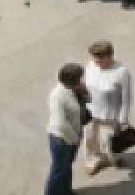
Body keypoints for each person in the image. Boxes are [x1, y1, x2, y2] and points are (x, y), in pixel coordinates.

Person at [84, 40, 133, 176]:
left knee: (109, 140)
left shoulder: (121, 72)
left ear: (109, 56)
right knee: (90, 138)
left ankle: (115, 157)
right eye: (94, 58)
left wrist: (123, 117)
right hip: (90, 111)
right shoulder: (90, 66)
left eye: (99, 59)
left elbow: (126, 97)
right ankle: (92, 160)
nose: (96, 62)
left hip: (110, 114)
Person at [47, 63, 87, 195]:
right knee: (59, 170)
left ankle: (65, 191)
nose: (83, 80)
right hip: (62, 139)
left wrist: (84, 92)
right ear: (72, 80)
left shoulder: (74, 90)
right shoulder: (57, 96)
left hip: (73, 136)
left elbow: (88, 101)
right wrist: (74, 139)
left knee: (67, 166)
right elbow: (60, 124)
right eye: (80, 78)